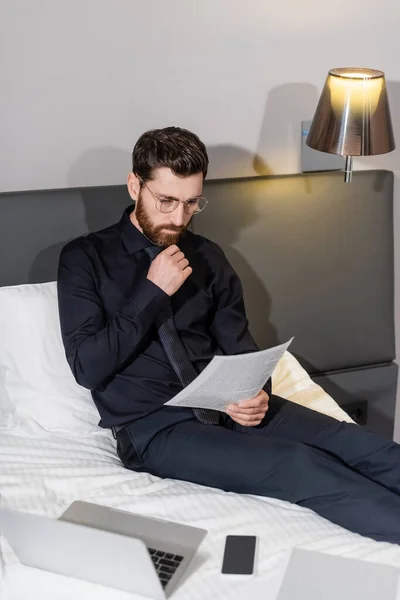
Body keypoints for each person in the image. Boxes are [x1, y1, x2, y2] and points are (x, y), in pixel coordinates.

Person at [58, 126, 400, 545]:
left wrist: (255, 393)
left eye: (191, 203)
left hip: (230, 404)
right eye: (166, 201)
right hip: (156, 428)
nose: (179, 218)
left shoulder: (208, 257)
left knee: (361, 445)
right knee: (298, 463)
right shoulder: (84, 259)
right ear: (135, 185)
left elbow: (240, 345)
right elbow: (87, 367)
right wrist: (152, 291)